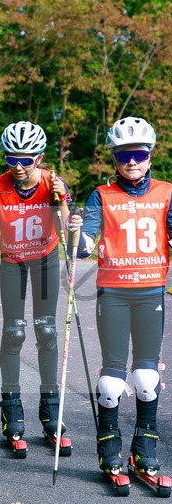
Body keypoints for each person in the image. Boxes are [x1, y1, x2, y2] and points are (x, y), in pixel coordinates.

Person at [67, 117, 171, 481]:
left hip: (151, 292)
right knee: (112, 382)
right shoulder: (102, 195)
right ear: (114, 158)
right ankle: (108, 449)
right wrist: (76, 234)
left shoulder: (166, 192)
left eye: (138, 154)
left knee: (146, 378)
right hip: (112, 293)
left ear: (150, 156)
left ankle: (144, 451)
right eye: (123, 155)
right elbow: (85, 245)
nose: (131, 162)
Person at [0, 121, 71, 452]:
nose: (18, 166)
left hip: (45, 259)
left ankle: (51, 410)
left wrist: (62, 199)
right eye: (11, 158)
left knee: (47, 330)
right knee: (14, 332)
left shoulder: (51, 182)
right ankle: (12, 409)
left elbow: (68, 233)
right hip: (13, 261)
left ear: (39, 157)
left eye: (26, 160)